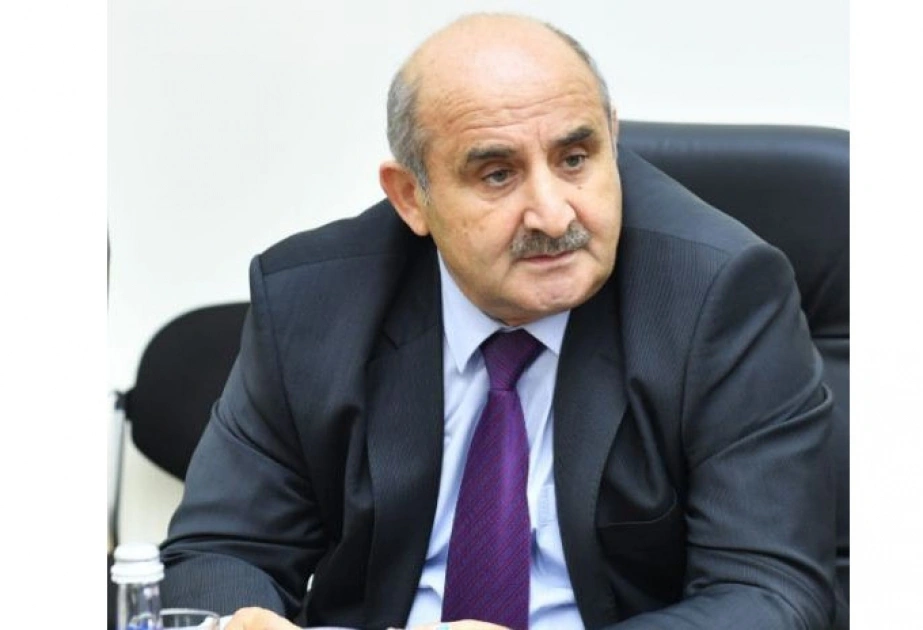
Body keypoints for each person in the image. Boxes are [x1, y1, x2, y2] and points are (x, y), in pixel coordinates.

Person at [160, 12, 836, 630]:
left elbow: (771, 593)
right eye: (496, 175)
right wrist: (237, 620)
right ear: (410, 197)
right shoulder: (313, 299)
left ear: (612, 139)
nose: (554, 215)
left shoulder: (719, 294)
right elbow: (222, 548)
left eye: (576, 160)